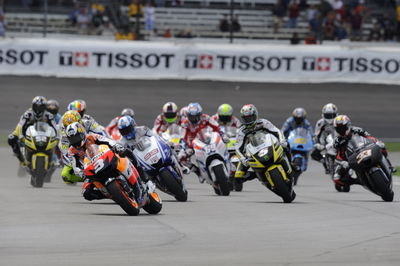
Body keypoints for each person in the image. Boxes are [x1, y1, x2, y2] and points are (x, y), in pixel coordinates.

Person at [65, 122, 146, 202]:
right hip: (91, 170)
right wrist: (81, 173)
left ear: (82, 133)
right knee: (86, 193)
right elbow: (75, 167)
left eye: (76, 138)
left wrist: (116, 146)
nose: (75, 141)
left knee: (126, 153)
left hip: (105, 158)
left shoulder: (92, 137)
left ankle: (142, 178)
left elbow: (107, 141)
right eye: (72, 140)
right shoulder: (71, 151)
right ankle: (113, 195)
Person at [234, 104, 294, 184]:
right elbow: (238, 148)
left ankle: (291, 164)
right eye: (246, 119)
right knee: (238, 177)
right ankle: (257, 174)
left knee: (286, 145)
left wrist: (282, 140)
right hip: (252, 153)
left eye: (250, 118)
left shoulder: (263, 122)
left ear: (255, 115)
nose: (248, 120)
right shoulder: (241, 131)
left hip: (268, 146)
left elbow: (277, 131)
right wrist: (242, 159)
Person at [332, 115, 395, 186]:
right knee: (336, 178)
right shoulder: (337, 141)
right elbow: (337, 156)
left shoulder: (357, 130)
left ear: (348, 125)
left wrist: (376, 142)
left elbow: (369, 137)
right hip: (351, 158)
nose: (341, 130)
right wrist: (343, 163)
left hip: (364, 148)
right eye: (339, 129)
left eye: (342, 127)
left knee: (382, 147)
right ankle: (357, 181)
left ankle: (388, 165)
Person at [117, 115, 183, 181]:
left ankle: (180, 165)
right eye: (123, 131)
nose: (126, 132)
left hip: (151, 150)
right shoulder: (122, 142)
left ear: (133, 125)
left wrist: (167, 143)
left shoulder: (143, 129)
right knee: (135, 171)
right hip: (140, 159)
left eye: (128, 129)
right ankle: (146, 185)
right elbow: (120, 152)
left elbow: (156, 137)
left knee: (169, 147)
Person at [179, 103, 229, 180]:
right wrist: (184, 148)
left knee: (224, 144)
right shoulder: (185, 123)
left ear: (200, 114)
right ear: (188, 115)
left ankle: (225, 161)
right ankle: (198, 171)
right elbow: (182, 138)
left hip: (208, 139)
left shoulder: (206, 118)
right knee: (181, 159)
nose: (194, 119)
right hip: (193, 144)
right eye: (191, 117)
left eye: (196, 116)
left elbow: (217, 127)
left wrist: (223, 135)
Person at [59, 110, 109, 184]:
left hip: (95, 146)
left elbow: (102, 132)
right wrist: (77, 164)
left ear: (80, 121)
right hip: (80, 155)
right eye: (67, 126)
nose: (72, 128)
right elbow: (65, 152)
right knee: (66, 175)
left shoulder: (88, 123)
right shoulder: (65, 135)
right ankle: (90, 179)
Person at [8, 96, 58, 166]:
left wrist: (57, 138)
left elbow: (55, 127)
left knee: (59, 141)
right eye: (36, 107)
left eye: (41, 107)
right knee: (11, 138)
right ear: (32, 106)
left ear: (45, 108)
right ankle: (22, 160)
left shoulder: (48, 115)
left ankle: (53, 159)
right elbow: (20, 125)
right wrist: (21, 136)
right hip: (25, 132)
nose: (38, 110)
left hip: (42, 134)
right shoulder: (27, 114)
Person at [311, 103, 338, 170]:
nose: (330, 118)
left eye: (332, 115)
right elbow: (316, 135)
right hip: (325, 143)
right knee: (314, 154)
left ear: (336, 114)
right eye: (327, 115)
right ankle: (325, 160)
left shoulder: (339, 121)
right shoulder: (320, 123)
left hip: (338, 141)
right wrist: (317, 144)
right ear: (323, 115)